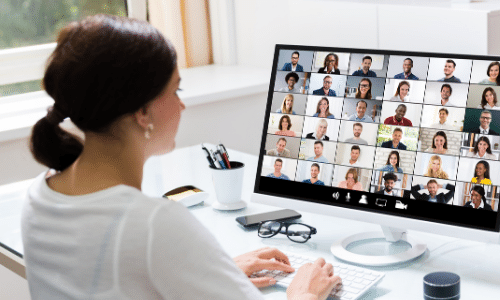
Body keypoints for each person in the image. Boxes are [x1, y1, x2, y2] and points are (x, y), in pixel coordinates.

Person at [22, 15, 341, 300]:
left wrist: (208, 272)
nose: (181, 106)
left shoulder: (40, 195)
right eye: (176, 91)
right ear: (142, 112)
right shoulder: (154, 224)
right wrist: (305, 293)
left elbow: (114, 281)